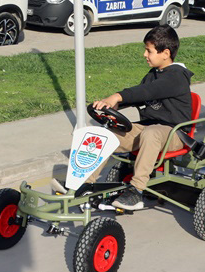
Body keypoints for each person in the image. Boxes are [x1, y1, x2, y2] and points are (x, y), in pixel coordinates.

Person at [57, 25, 193, 211]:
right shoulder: (153, 75)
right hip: (148, 128)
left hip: (175, 133)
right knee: (104, 135)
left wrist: (117, 96)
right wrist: (113, 106)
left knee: (151, 133)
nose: (144, 55)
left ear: (166, 53)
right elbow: (140, 95)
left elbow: (148, 91)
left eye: (149, 51)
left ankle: (136, 190)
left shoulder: (177, 76)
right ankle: (83, 184)